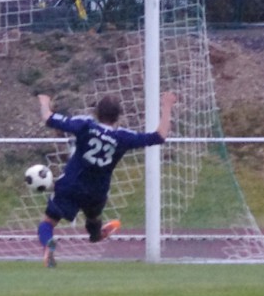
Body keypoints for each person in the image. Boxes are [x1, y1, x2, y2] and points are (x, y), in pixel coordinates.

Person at [35, 92, 176, 268]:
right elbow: (159, 136)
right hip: (97, 191)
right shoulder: (122, 137)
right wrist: (167, 105)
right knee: (93, 217)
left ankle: (48, 244)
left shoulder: (86, 125)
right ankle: (95, 235)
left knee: (48, 222)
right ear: (118, 117)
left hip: (72, 184)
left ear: (96, 112)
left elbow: (48, 118)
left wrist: (45, 102)